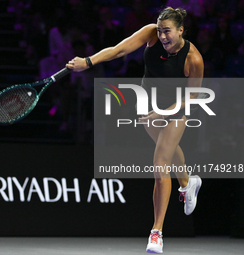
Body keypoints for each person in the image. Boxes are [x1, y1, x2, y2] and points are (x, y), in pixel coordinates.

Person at [66, 7, 203, 254]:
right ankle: (187, 182)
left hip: (174, 109)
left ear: (181, 30)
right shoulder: (150, 33)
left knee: (160, 162)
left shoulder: (193, 58)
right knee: (169, 151)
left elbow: (192, 97)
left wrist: (165, 111)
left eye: (167, 31)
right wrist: (88, 61)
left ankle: (156, 233)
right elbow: (120, 49)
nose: (162, 36)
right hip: (148, 104)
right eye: (160, 31)